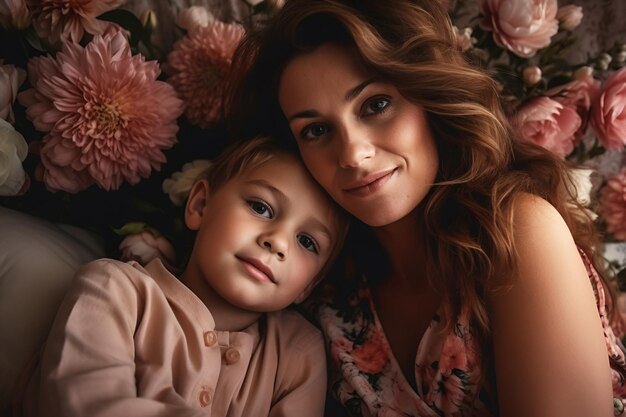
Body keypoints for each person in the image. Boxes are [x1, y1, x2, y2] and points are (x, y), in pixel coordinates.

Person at [224, 1, 626, 416]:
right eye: (317, 130)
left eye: (375, 105)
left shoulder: (518, 232)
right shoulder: (326, 296)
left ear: (429, 97)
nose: (353, 154)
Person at [17, 135, 348, 417]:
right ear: (201, 205)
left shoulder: (298, 351)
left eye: (307, 242)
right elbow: (87, 400)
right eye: (261, 208)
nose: (277, 242)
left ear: (311, 284)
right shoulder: (115, 289)